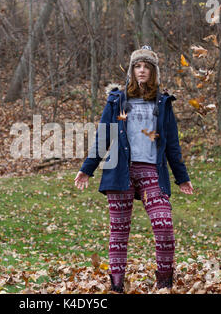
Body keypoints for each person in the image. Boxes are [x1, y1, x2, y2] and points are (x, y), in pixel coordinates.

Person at [74, 46, 194, 293]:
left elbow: (172, 143)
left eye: (147, 67)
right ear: (131, 70)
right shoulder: (117, 100)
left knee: (164, 226)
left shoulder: (163, 102)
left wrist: (182, 177)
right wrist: (88, 168)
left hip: (152, 172)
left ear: (153, 72)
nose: (142, 71)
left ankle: (164, 284)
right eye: (138, 66)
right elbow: (103, 137)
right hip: (119, 171)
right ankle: (117, 287)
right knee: (119, 231)